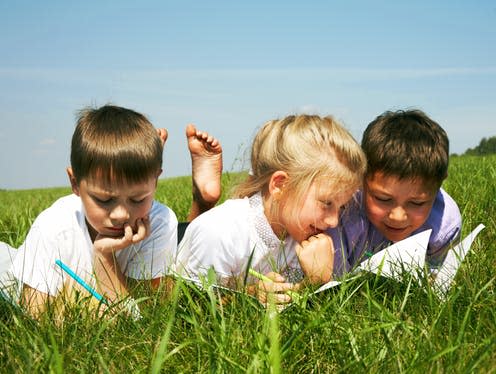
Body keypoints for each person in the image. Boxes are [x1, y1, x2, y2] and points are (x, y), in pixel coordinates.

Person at [1, 104, 180, 318]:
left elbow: (146, 318)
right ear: (75, 183)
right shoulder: (53, 226)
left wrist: (105, 257)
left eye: (138, 198)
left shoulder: (160, 222)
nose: (121, 214)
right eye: (104, 200)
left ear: (156, 182)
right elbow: (35, 317)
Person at [174, 114, 367, 304]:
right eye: (326, 203)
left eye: (341, 207)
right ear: (280, 185)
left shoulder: (300, 234)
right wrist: (248, 296)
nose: (334, 221)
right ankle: (202, 198)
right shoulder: (219, 233)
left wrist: (315, 281)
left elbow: (290, 297)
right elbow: (193, 307)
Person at [328, 109, 462, 276]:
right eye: (383, 199)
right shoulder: (343, 216)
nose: (398, 217)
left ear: (439, 184)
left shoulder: (444, 225)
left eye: (417, 203)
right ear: (361, 177)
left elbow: (439, 275)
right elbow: (335, 282)